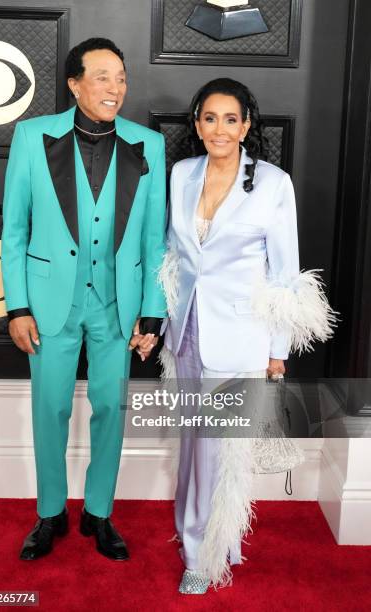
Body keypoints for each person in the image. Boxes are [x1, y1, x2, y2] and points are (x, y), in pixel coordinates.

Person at [159, 78, 336, 594]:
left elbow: (285, 275)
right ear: (196, 125)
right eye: (209, 118)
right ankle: (210, 536)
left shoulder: (275, 184)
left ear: (247, 125)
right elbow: (174, 254)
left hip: (239, 336)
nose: (219, 129)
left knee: (219, 450)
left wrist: (277, 354)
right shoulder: (181, 173)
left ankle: (203, 555)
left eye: (230, 119)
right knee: (196, 444)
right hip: (185, 329)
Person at [1, 38, 166, 560]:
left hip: (118, 304)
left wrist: (152, 312)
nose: (114, 87)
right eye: (101, 77)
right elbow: (14, 232)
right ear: (74, 84)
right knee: (49, 409)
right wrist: (17, 306)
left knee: (110, 408)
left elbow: (155, 240)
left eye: (120, 77)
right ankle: (50, 513)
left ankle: (99, 512)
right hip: (50, 303)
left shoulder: (148, 145)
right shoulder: (31, 137)